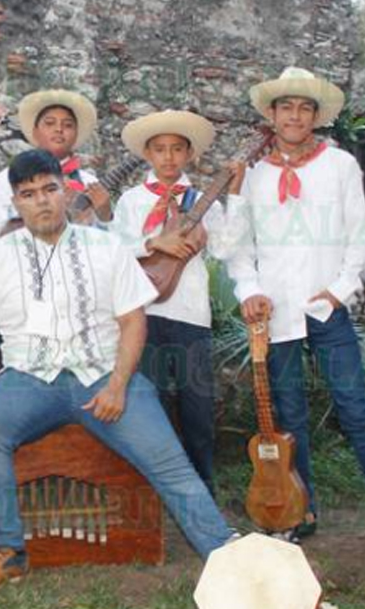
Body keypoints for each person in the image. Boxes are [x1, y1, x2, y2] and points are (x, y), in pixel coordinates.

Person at [0, 149, 235, 592]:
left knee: (170, 463)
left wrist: (118, 386)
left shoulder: (106, 248)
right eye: (28, 194)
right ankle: (8, 553)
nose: (41, 201)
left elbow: (133, 321)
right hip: (28, 379)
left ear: (66, 191)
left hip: (103, 376)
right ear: (16, 203)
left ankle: (229, 555)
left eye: (49, 189)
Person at [227, 67, 365, 558]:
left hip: (326, 308)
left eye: (305, 108)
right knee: (290, 420)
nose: (295, 115)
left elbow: (361, 235)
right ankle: (299, 510)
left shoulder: (338, 166)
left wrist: (337, 291)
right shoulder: (252, 174)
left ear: (315, 116)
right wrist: (248, 288)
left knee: (356, 412)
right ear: (271, 115)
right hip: (276, 314)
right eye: (286, 107)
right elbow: (237, 247)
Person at [111, 110, 246, 494]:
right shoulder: (132, 201)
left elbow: (225, 247)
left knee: (197, 405)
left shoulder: (205, 201)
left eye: (176, 149)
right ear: (148, 154)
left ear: (189, 154)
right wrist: (152, 243)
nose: (168, 157)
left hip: (190, 313)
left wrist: (233, 195)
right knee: (150, 402)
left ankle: (202, 486)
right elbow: (112, 250)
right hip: (143, 314)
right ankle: (151, 489)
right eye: (159, 149)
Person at [0, 89, 111, 242]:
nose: (59, 129)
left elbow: (105, 245)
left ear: (76, 135)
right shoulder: (9, 178)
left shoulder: (89, 183)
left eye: (67, 125)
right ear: (35, 132)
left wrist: (104, 215)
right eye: (49, 123)